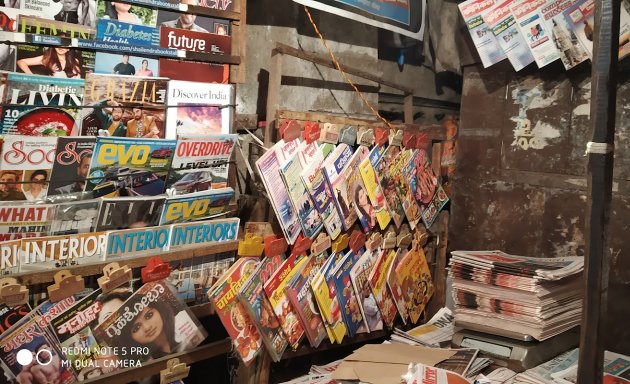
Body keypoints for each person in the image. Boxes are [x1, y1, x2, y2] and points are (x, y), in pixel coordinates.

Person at [16, 46, 82, 78]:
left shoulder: (75, 61)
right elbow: (21, 62)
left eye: (64, 45)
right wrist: (32, 77)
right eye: (59, 44)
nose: (61, 47)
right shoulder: (48, 58)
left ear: (68, 48)